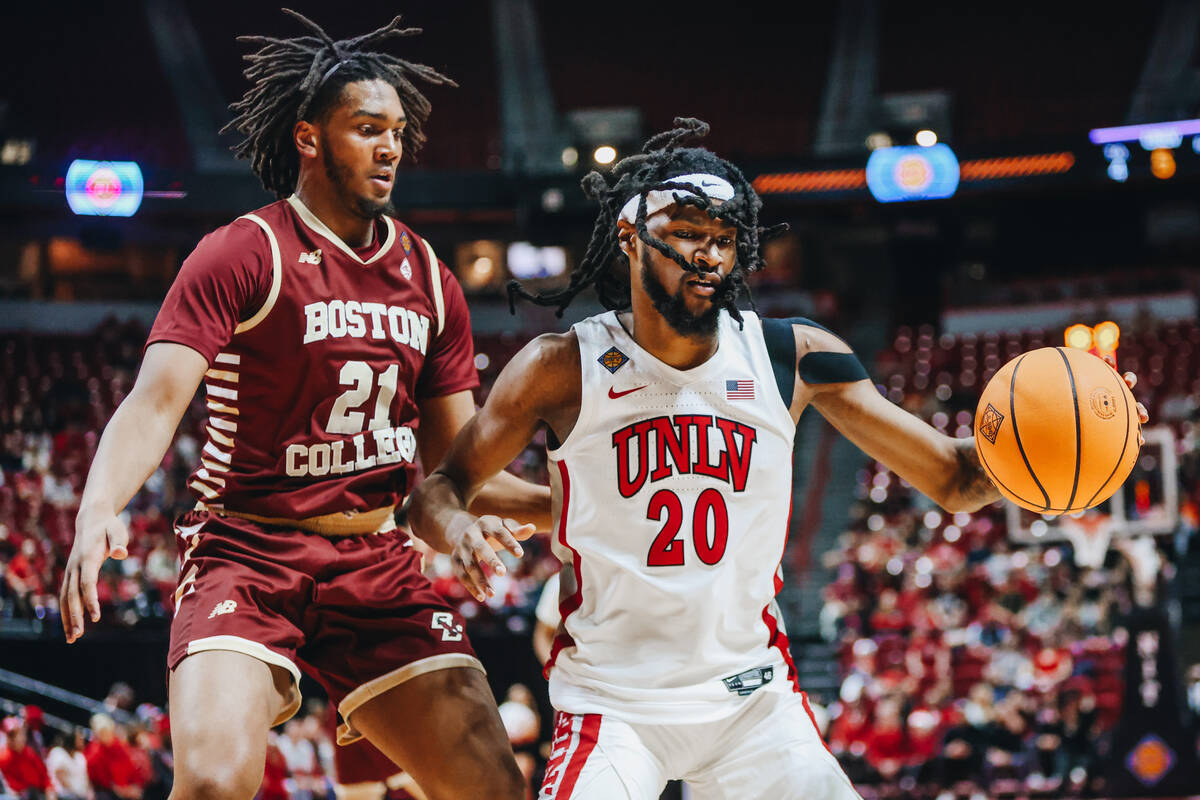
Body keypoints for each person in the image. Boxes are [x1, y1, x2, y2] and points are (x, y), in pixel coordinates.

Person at [406, 118, 1149, 799]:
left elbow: (956, 477)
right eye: (686, 231)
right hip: (613, 700)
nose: (707, 254)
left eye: (723, 237)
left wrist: (1062, 449)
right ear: (629, 237)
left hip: (751, 700)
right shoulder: (560, 365)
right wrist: (467, 527)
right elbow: (438, 493)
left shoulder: (792, 357)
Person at [58, 11, 548, 800]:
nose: (390, 147)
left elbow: (455, 477)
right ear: (309, 137)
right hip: (246, 553)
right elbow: (155, 403)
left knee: (494, 789)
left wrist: (507, 517)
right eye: (366, 128)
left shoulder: (428, 277)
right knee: (215, 784)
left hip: (375, 564)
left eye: (396, 131)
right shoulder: (244, 251)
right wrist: (97, 509)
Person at [0, 717, 54, 800]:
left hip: (39, 794)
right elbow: (12, 789)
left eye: (17, 733)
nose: (15, 738)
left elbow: (44, 777)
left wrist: (49, 791)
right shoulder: (3, 757)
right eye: (11, 735)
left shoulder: (29, 752)